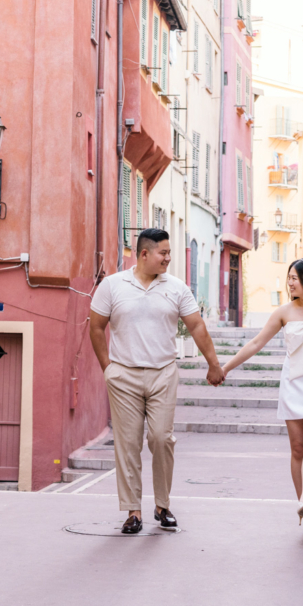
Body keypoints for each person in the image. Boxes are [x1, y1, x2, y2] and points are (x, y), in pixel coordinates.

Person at [89, 229, 225, 534]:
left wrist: (213, 364)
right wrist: (107, 368)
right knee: (128, 444)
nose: (168, 258)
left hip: (163, 372)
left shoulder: (176, 288)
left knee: (162, 439)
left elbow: (197, 326)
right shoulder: (112, 286)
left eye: (169, 252)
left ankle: (162, 505)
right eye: (163, 253)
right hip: (123, 374)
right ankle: (133, 511)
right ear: (144, 254)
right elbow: (96, 328)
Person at [221, 258, 303, 536]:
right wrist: (224, 368)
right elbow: (256, 343)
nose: (289, 282)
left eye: (295, 278)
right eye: (288, 277)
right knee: (297, 449)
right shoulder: (283, 313)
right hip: (294, 386)